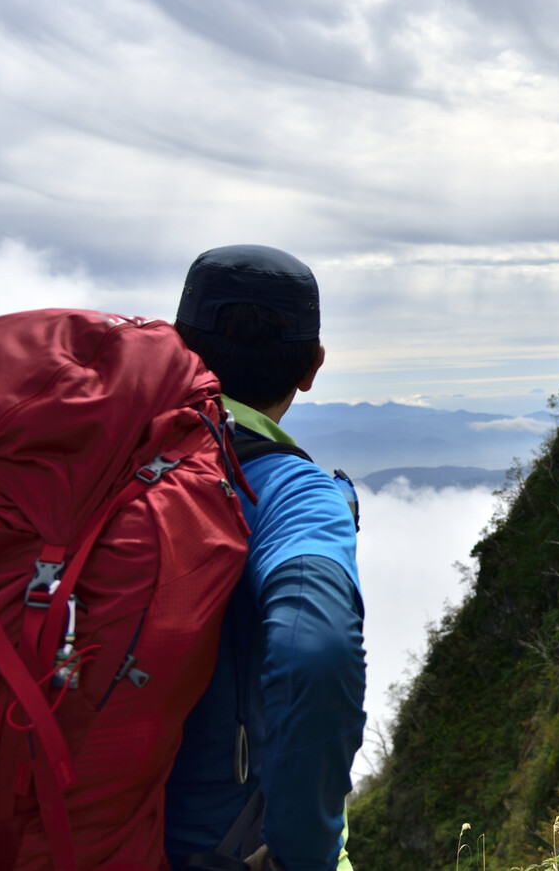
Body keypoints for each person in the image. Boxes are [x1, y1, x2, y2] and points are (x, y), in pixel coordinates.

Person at [164, 244, 366, 871]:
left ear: (178, 344)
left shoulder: (101, 461)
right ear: (312, 366)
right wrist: (297, 856)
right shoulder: (292, 494)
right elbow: (318, 650)